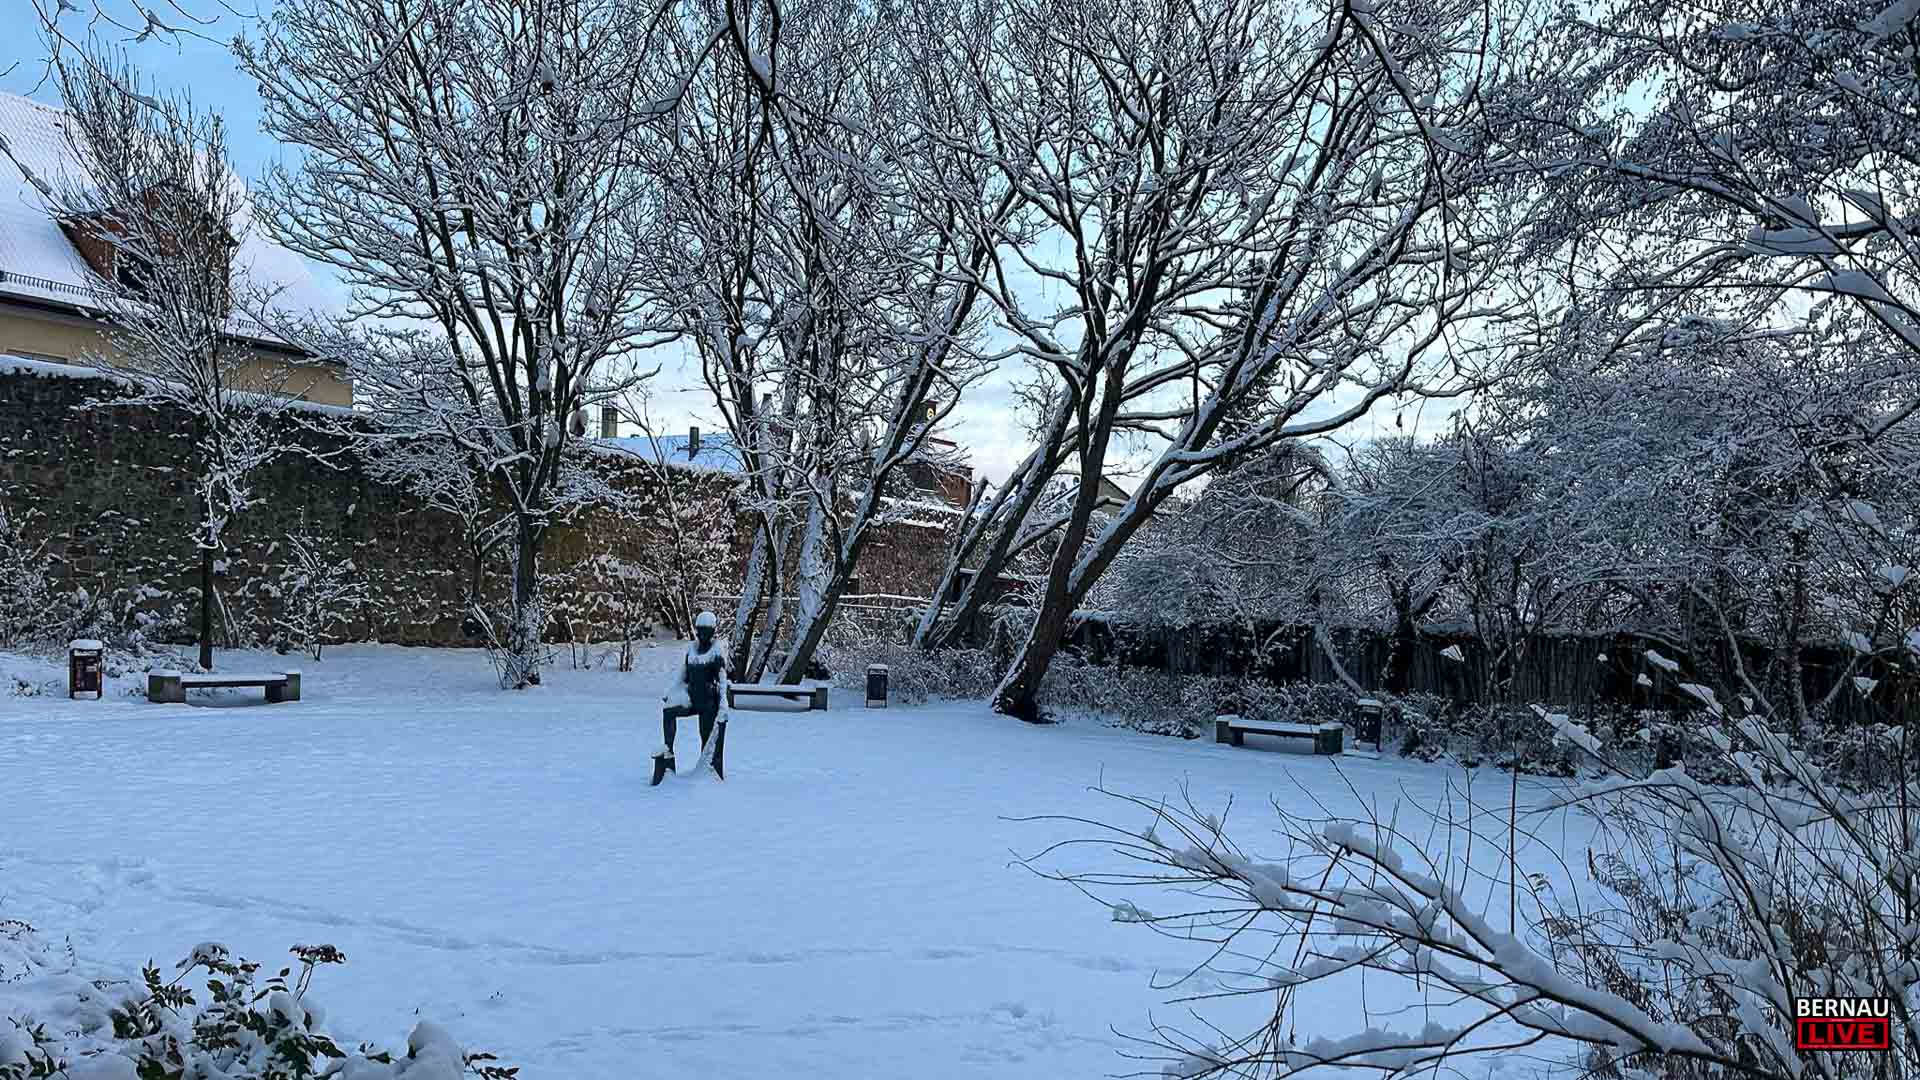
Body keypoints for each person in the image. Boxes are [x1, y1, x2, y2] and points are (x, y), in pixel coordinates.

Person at [653, 611, 729, 783]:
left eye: (706, 631)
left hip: (709, 702)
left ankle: (704, 772)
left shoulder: (716, 652)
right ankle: (668, 752)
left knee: (705, 736)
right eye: (700, 630)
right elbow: (682, 675)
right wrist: (670, 693)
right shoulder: (692, 650)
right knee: (669, 711)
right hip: (691, 698)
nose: (702, 634)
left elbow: (723, 680)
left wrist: (723, 703)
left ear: (712, 632)